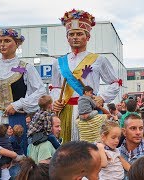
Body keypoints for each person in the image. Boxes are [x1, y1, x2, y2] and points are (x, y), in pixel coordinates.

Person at [51, 9, 121, 143]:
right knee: (67, 148)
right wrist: (56, 101)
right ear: (67, 38)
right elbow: (55, 86)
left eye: (79, 33)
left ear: (88, 37)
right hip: (66, 110)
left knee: (91, 147)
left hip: (90, 109)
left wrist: (102, 97)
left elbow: (115, 82)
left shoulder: (98, 60)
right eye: (71, 34)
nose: (75, 37)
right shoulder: (58, 62)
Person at [0, 28, 46, 154]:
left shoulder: (25, 67)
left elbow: (40, 92)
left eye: (7, 41)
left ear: (17, 44)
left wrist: (18, 104)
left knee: (17, 151)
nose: (2, 44)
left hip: (18, 119)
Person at [118, 114, 144, 180]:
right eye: (133, 128)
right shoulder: (115, 153)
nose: (138, 132)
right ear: (124, 132)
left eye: (141, 128)